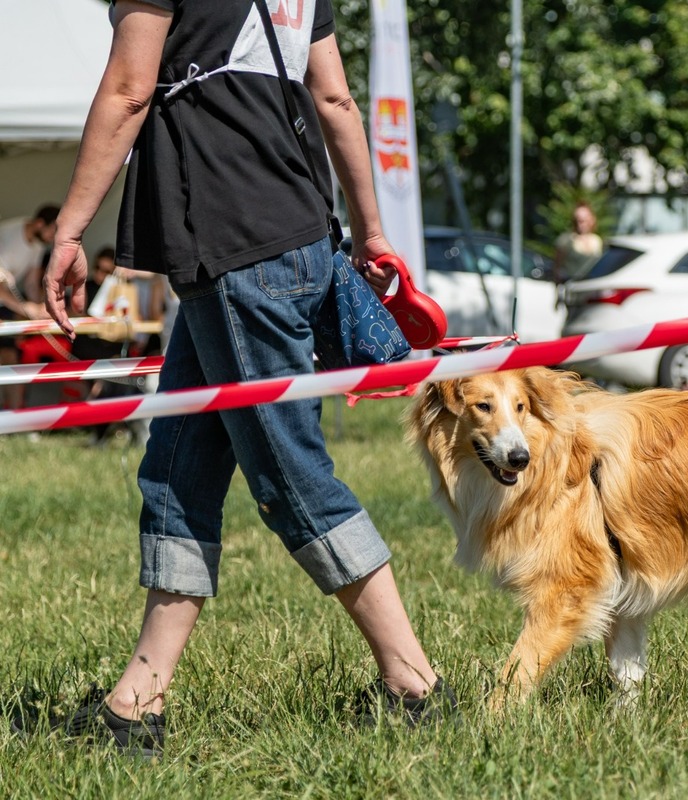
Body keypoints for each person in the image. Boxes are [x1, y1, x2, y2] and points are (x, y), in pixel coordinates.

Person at [27, 0, 453, 757]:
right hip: (290, 237)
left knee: (289, 473)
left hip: (232, 248)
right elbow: (336, 101)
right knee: (178, 472)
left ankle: (413, 681)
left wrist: (67, 233)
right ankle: (137, 703)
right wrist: (371, 233)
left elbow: (129, 88)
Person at [0, 205, 58, 410]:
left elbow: (32, 283)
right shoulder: (9, 236)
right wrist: (27, 308)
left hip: (6, 304)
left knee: (10, 358)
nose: (53, 238)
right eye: (52, 231)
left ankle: (15, 417)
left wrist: (41, 307)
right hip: (5, 299)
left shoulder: (38, 243)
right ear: (40, 223)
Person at [552, 201, 603, 285]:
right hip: (572, 285)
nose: (581, 224)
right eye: (578, 220)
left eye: (585, 220)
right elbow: (557, 268)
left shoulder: (597, 240)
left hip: (591, 286)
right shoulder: (565, 240)